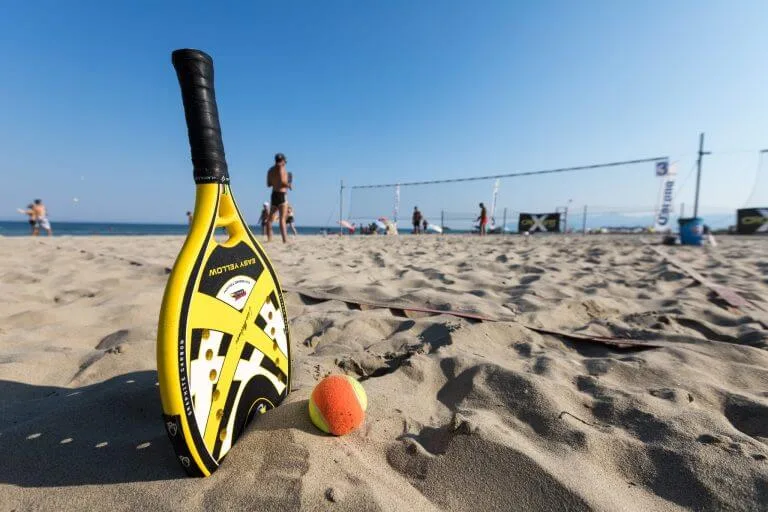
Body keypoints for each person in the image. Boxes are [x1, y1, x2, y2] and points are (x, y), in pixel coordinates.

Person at [266, 153, 292, 243]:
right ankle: (285, 240)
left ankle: (269, 239)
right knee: (282, 218)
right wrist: (289, 185)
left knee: (269, 219)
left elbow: (268, 184)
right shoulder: (282, 167)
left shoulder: (270, 170)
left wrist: (275, 181)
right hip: (281, 194)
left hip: (274, 194)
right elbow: (282, 181)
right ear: (283, 160)